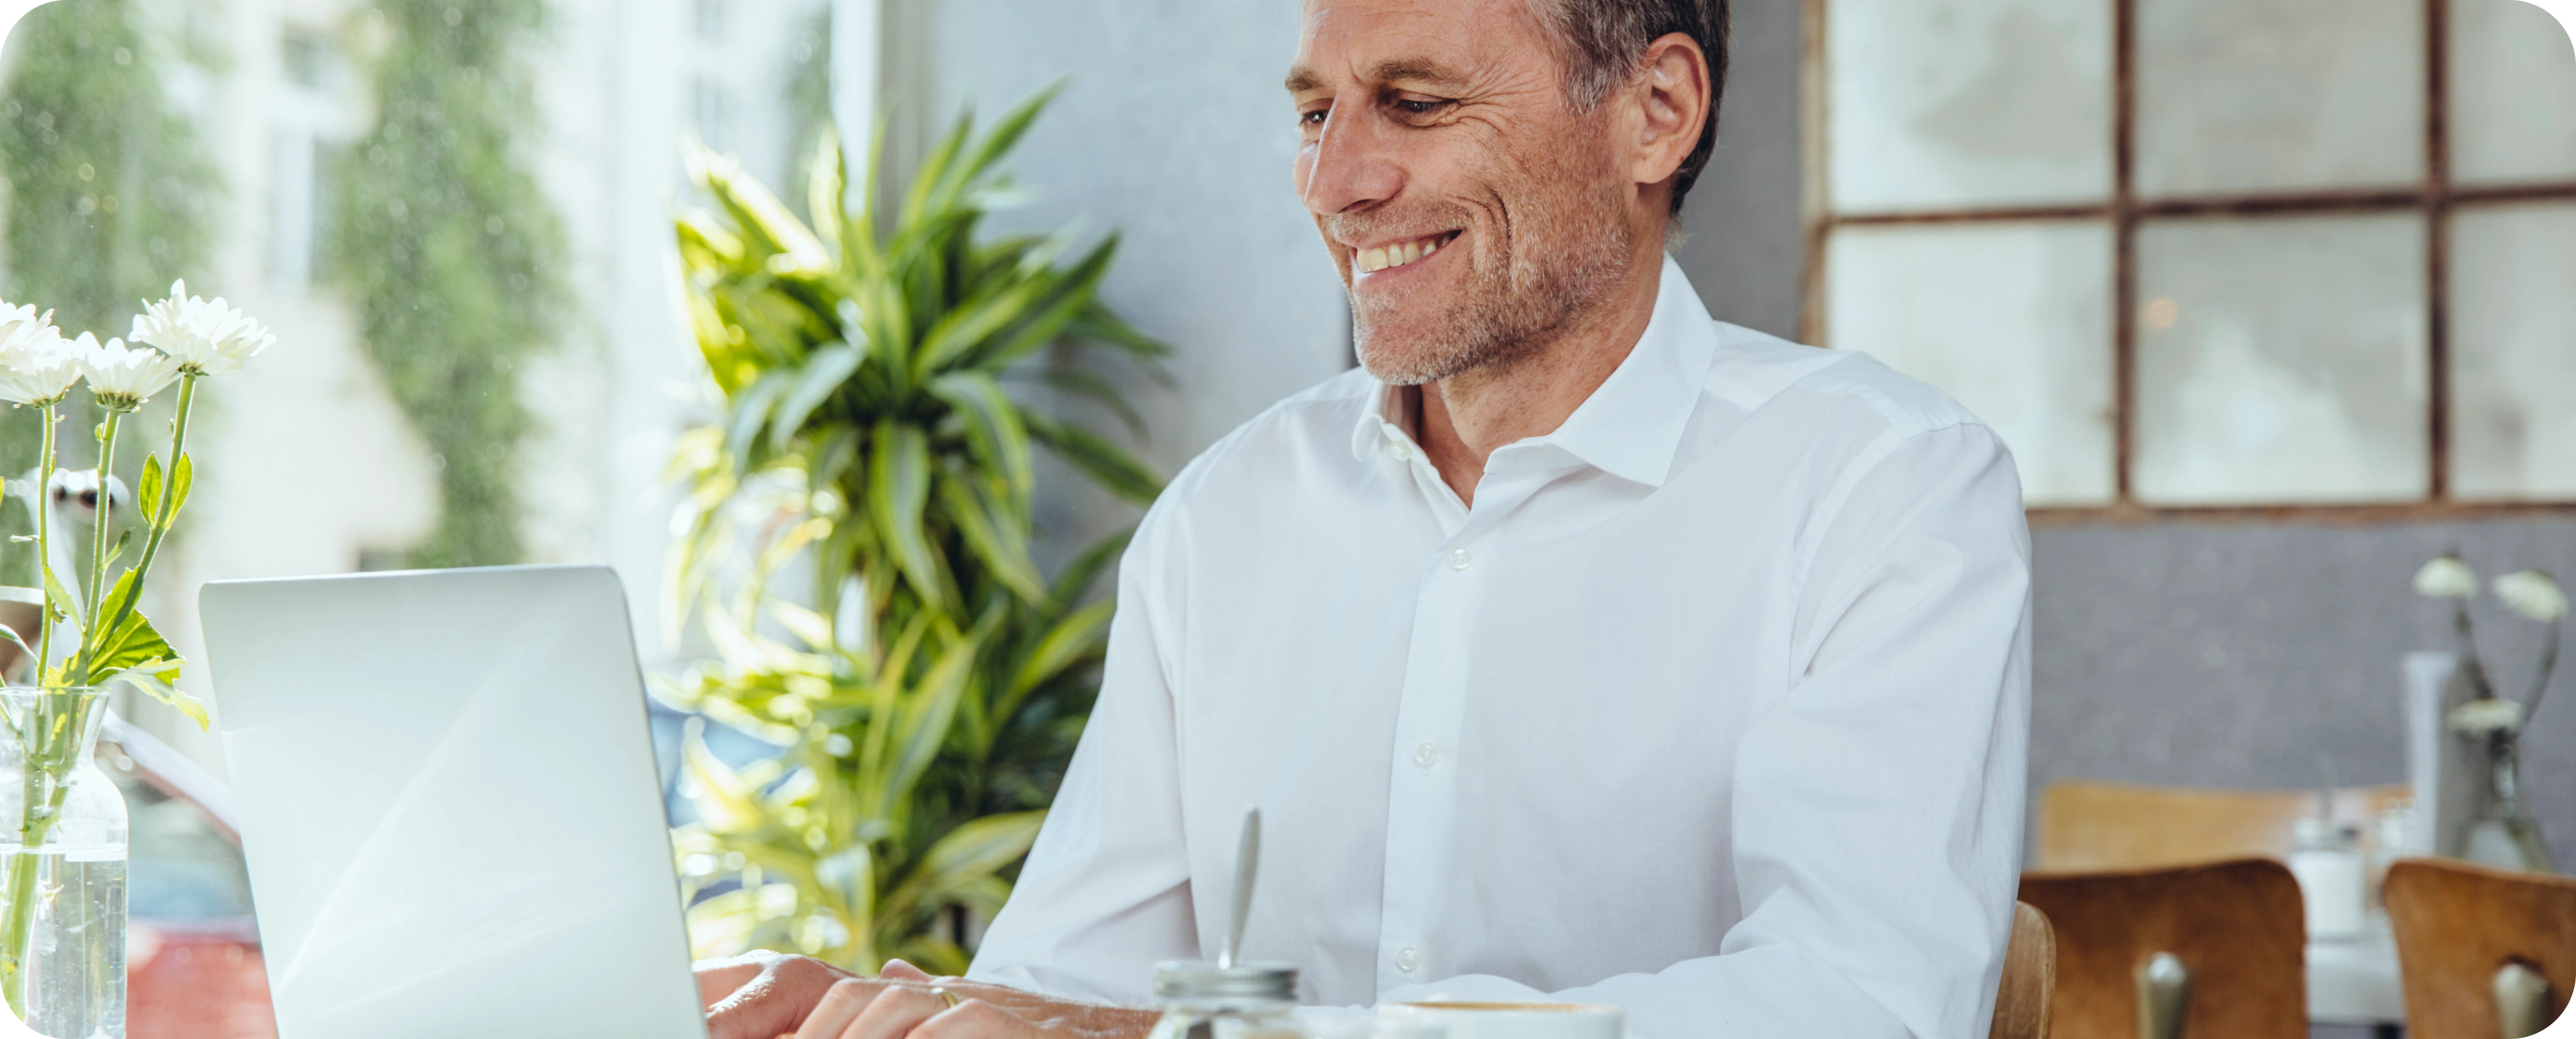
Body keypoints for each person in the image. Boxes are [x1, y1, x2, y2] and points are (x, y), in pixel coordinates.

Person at [698, 0, 2031, 1035]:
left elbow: (1853, 1009)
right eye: (1315, 112)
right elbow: (1066, 986)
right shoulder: (1221, 522)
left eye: (1414, 102)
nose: (1333, 183)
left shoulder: (1884, 491)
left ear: (1656, 112)